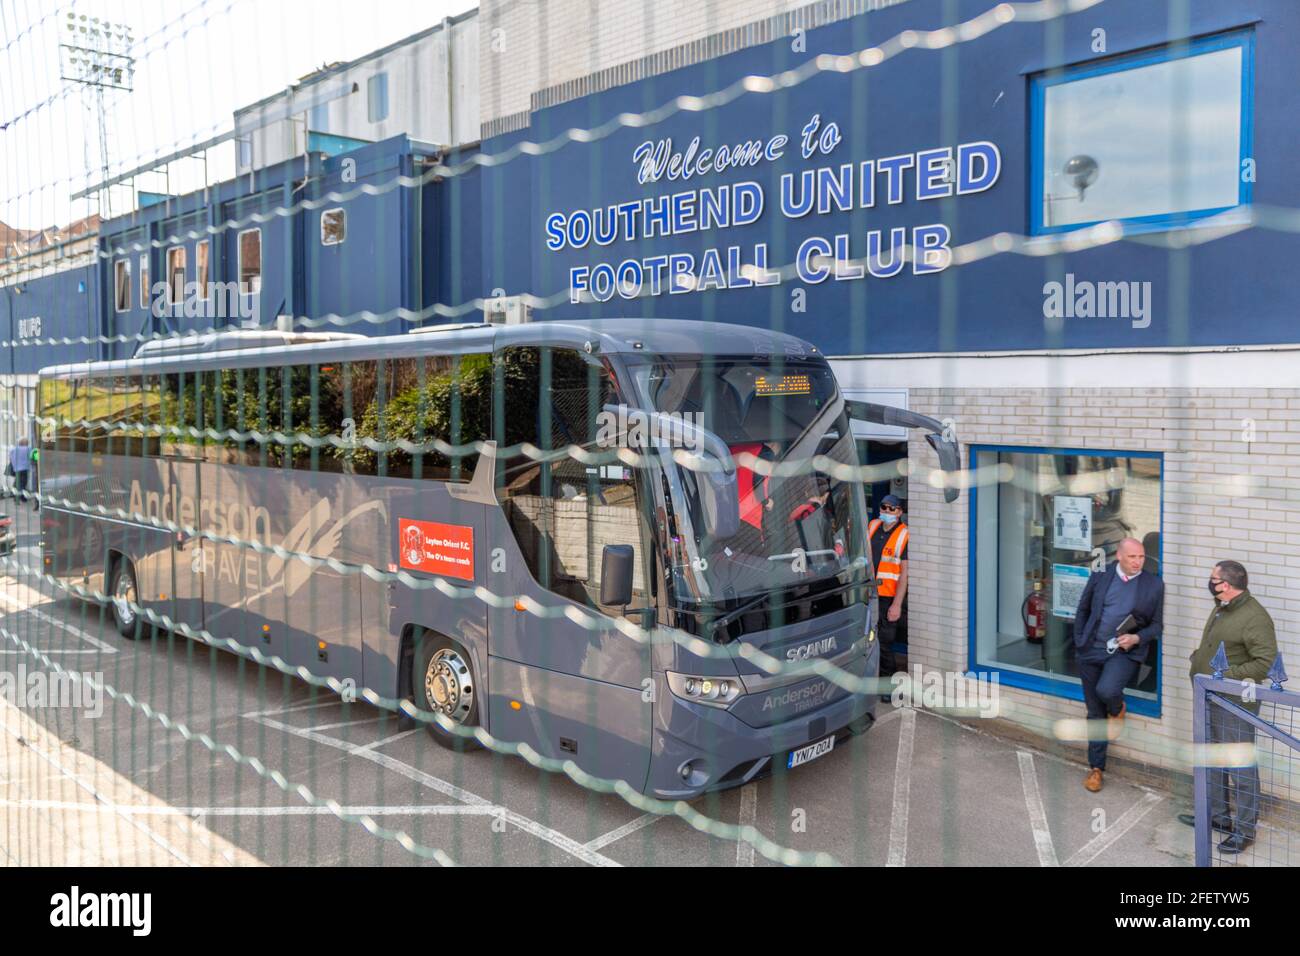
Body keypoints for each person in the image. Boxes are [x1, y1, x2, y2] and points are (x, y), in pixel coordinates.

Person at [1177, 560, 1277, 854]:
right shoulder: (1222, 605)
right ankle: (1218, 818)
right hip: (1208, 698)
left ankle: (1245, 830)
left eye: (1213, 579)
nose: (1209, 582)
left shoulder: (1254, 617)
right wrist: (1199, 658)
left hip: (1233, 703)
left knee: (1241, 766)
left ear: (1227, 585)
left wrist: (1220, 677)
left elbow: (1264, 663)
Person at [1071, 537, 1164, 793]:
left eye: (1142, 557)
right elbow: (1083, 608)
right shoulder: (1102, 575)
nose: (1138, 562)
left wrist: (1136, 637)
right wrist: (1080, 641)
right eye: (1132, 557)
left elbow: (1156, 625)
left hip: (1124, 653)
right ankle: (1096, 768)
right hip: (1091, 649)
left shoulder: (1153, 585)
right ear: (1119, 557)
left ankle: (1118, 707)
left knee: (1107, 691)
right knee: (1094, 712)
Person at [869, 494, 908, 695]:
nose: (886, 512)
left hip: (888, 598)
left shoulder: (904, 535)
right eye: (883, 507)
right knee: (869, 640)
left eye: (891, 509)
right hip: (868, 594)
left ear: (900, 512)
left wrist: (897, 604)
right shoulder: (873, 526)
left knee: (884, 643)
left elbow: (904, 574)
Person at [9, 438, 31, 504]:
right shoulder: (28, 449)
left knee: (17, 483)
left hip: (17, 469)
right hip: (25, 469)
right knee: (23, 484)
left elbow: (11, 458)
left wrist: (15, 466)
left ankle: (16, 497)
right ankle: (22, 498)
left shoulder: (14, 449)